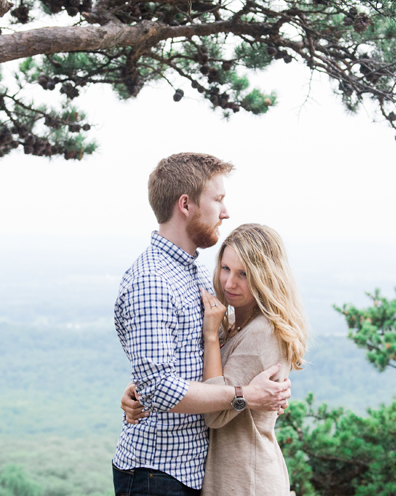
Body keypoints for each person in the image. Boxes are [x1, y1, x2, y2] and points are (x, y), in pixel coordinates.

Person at [113, 153, 291, 496]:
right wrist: (244, 395)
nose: (225, 212)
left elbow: (175, 364)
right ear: (186, 205)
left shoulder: (192, 273)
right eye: (218, 199)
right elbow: (158, 387)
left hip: (192, 471)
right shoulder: (153, 280)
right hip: (158, 472)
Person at [198, 223, 308, 495]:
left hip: (248, 481)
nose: (229, 283)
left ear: (265, 276)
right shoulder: (238, 322)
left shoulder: (261, 333)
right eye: (226, 268)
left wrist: (211, 337)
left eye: (243, 274)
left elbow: (213, 413)